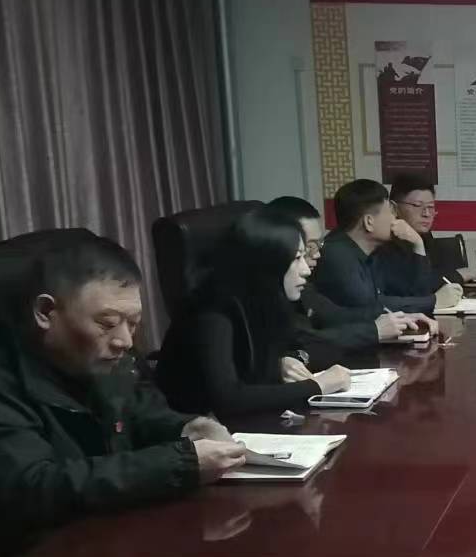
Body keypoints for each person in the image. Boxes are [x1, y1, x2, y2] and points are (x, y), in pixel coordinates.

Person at [0, 235, 248, 557]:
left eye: (133, 323)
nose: (124, 341)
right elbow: (34, 489)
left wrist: (188, 427)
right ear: (46, 312)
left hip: (98, 549)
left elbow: (143, 411)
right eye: (107, 323)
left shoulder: (99, 360)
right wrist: (182, 463)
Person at [156, 206, 354, 418]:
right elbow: (228, 398)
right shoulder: (212, 309)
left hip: (252, 423)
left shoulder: (268, 300)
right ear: (269, 261)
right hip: (199, 429)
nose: (306, 270)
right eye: (297, 258)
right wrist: (318, 386)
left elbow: (320, 346)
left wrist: (289, 358)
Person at [266, 195, 435, 355]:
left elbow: (336, 315)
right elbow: (306, 342)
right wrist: (375, 330)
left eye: (318, 245)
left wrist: (399, 318)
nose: (317, 254)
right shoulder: (336, 255)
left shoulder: (305, 288)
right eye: (308, 248)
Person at [312, 179, 457, 316]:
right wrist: (433, 301)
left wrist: (418, 245)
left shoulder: (368, 252)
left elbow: (403, 294)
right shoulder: (336, 255)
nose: (395, 218)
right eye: (390, 213)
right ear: (369, 222)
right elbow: (370, 306)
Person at [389, 179, 476, 288]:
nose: (426, 214)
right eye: (417, 205)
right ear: (394, 208)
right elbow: (413, 287)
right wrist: (458, 276)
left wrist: (464, 273)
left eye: (430, 206)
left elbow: (433, 273)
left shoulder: (425, 235)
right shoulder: (385, 240)